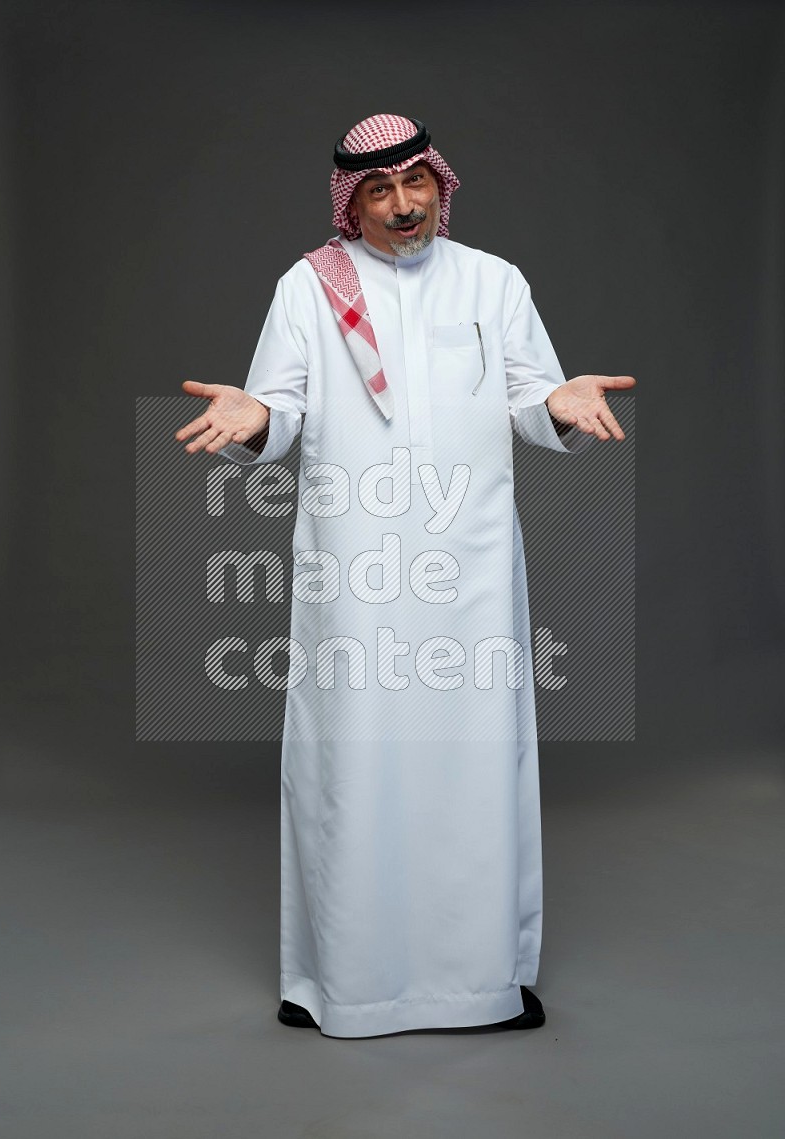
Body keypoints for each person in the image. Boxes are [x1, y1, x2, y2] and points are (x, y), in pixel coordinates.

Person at [175, 114, 635, 1039]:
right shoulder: (310, 287)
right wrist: (253, 416)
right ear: (353, 201)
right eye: (379, 190)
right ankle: (339, 981)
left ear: (440, 184)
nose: (402, 205)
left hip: (466, 566)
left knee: (476, 763)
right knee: (352, 760)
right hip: (356, 567)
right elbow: (283, 408)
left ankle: (480, 983)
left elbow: (528, 394)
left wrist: (563, 404)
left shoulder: (492, 281)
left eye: (414, 183)